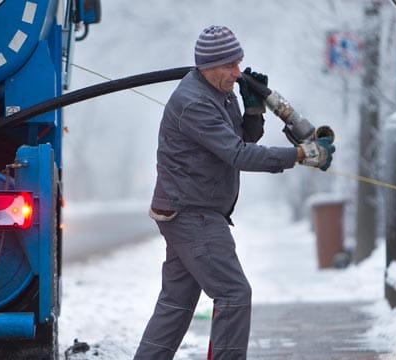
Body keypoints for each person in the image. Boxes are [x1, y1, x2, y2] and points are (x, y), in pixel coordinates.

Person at [133, 25, 335, 360]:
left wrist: (253, 110)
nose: (237, 73)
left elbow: (241, 140)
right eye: (230, 67)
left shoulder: (217, 93)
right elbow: (238, 155)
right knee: (233, 294)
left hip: (189, 210)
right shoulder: (194, 102)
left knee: (176, 304)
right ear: (207, 66)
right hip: (192, 213)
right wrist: (301, 155)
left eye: (239, 64)